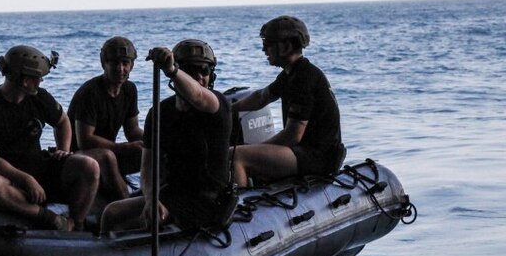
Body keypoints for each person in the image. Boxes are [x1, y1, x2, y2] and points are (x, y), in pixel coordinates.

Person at [100, 40, 234, 234]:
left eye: (204, 70)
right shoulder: (159, 113)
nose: (198, 76)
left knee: (125, 215)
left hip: (208, 198)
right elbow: (148, 166)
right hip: (171, 192)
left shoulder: (216, 105)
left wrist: (172, 70)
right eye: (190, 70)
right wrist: (151, 199)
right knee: (111, 213)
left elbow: (197, 96)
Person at [0, 45, 99, 232]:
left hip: (37, 165)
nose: (40, 81)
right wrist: (26, 180)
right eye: (38, 78)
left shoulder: (39, 98)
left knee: (89, 165)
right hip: (7, 175)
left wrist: (63, 149)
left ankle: (77, 224)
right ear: (24, 81)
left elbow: (62, 121)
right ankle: (47, 218)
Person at [229, 15, 345, 187]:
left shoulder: (304, 78)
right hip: (306, 153)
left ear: (286, 46)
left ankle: (241, 208)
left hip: (317, 158)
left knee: (235, 155)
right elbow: (262, 97)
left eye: (267, 44)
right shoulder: (291, 74)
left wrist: (257, 148)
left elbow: (292, 136)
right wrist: (229, 108)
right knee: (245, 150)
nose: (264, 50)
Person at [67, 36, 144, 199]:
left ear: (132, 66)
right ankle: (125, 203)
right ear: (104, 64)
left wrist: (156, 142)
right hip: (79, 156)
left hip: (109, 150)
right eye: (114, 63)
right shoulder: (90, 93)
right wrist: (125, 148)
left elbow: (133, 130)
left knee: (153, 151)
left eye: (125, 63)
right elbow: (85, 140)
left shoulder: (129, 89)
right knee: (107, 157)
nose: (120, 69)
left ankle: (156, 196)